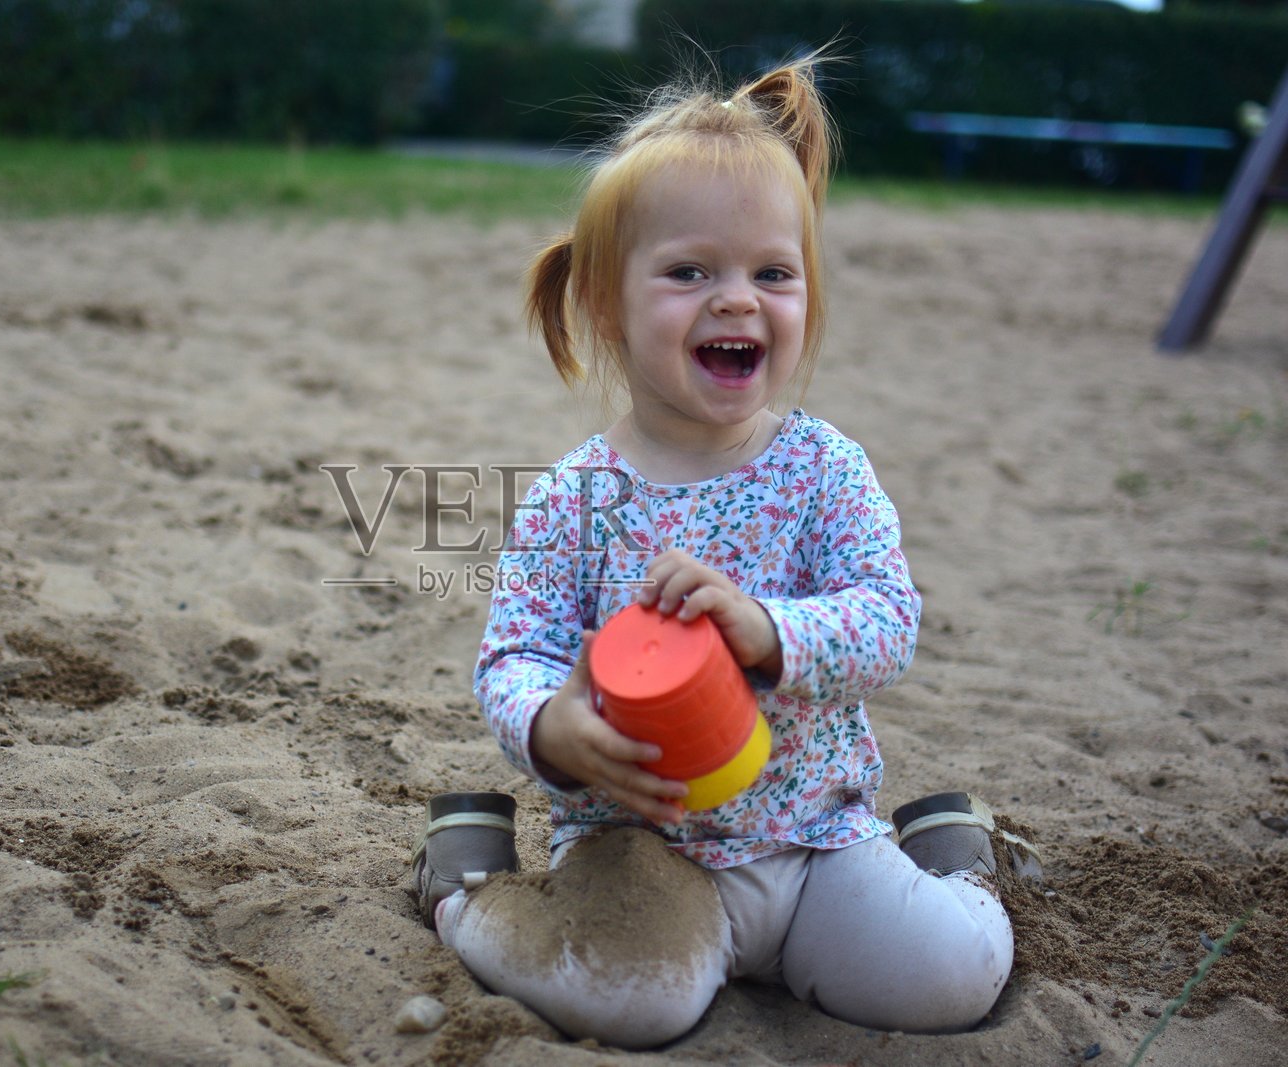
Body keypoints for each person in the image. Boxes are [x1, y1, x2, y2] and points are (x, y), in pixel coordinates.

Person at [411, 55, 1041, 1049]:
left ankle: (947, 852)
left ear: (806, 293)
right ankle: (466, 883)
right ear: (609, 306)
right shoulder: (575, 496)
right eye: (689, 271)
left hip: (814, 842)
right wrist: (551, 728)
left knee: (954, 975)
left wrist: (767, 627)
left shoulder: (825, 469)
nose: (737, 299)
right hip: (640, 852)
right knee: (632, 1002)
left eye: (771, 273)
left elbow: (888, 621)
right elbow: (511, 654)